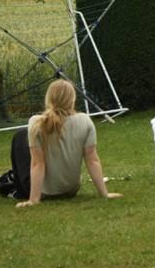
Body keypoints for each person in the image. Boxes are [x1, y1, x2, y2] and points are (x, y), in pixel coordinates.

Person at [13, 79, 122, 207]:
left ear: (49, 98)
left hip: (44, 192)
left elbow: (38, 164)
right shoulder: (85, 121)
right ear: (72, 99)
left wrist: (33, 200)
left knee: (20, 136)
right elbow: (92, 160)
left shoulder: (36, 123)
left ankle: (17, 188)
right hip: (71, 190)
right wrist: (105, 193)